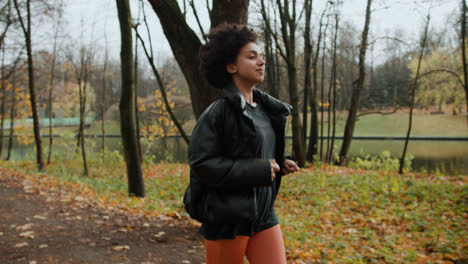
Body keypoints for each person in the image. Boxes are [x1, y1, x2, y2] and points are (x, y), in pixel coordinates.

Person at [185, 23, 300, 264]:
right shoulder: (218, 114)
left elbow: (252, 151)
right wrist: (258, 170)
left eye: (261, 56)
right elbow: (201, 164)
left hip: (264, 213)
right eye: (252, 56)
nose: (261, 62)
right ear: (231, 66)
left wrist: (280, 162)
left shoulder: (268, 110)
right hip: (228, 218)